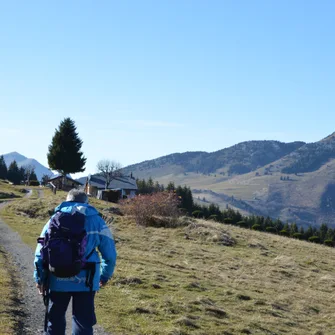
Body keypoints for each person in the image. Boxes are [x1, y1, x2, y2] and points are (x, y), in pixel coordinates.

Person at [34, 189, 117, 335]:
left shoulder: (55, 218)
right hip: (87, 280)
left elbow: (40, 251)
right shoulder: (97, 221)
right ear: (86, 202)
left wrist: (39, 277)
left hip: (57, 276)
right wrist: (104, 276)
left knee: (55, 319)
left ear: (67, 200)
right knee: (83, 322)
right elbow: (110, 254)